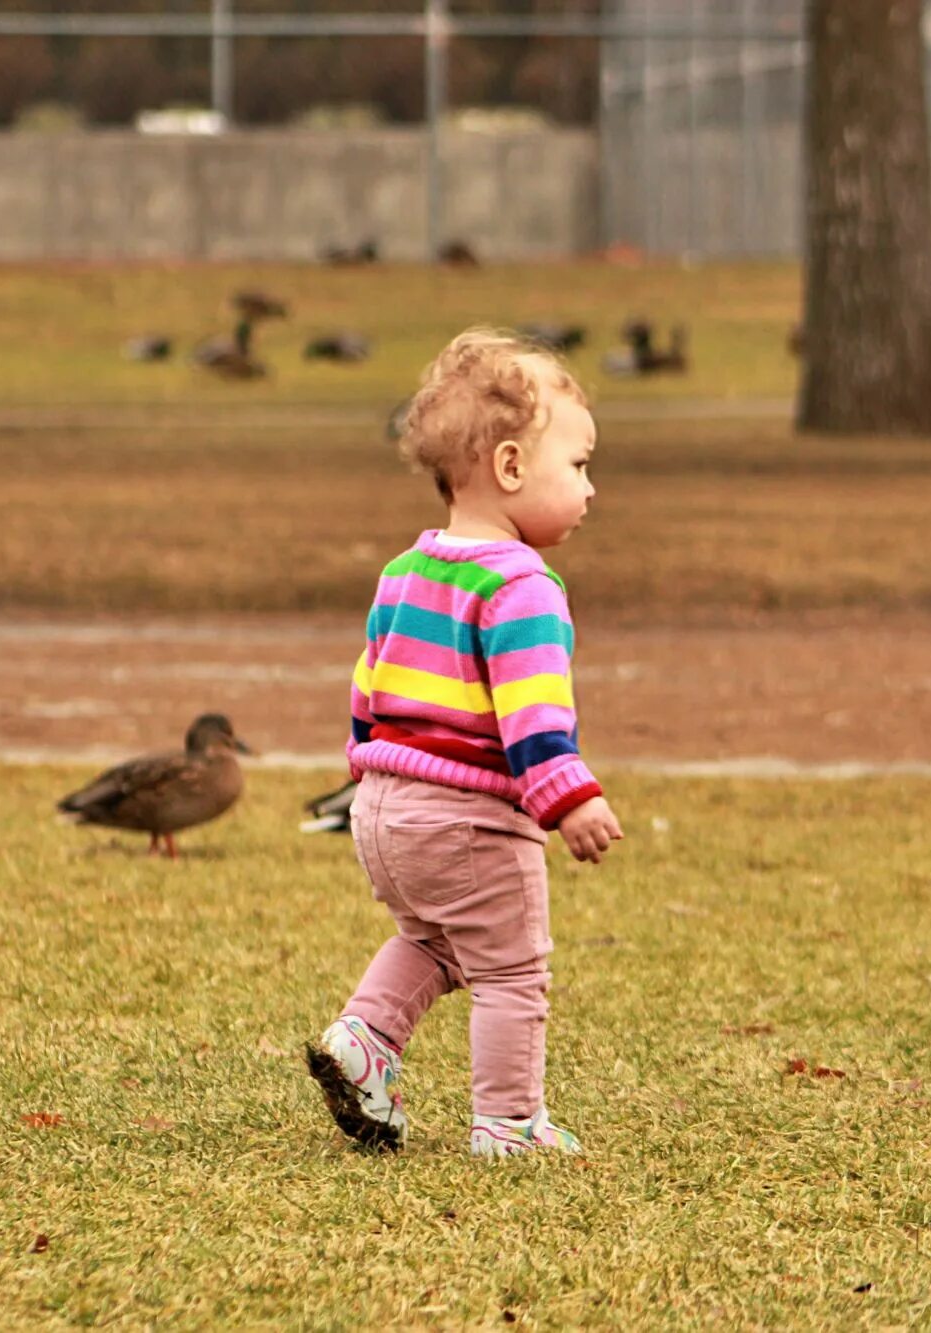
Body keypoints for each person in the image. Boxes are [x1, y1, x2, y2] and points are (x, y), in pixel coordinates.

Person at [305, 328, 622, 1158]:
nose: (591, 488)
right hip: (468, 818)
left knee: (434, 940)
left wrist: (364, 784)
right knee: (513, 970)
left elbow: (367, 688)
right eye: (580, 465)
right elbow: (532, 715)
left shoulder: (408, 570)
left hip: (384, 810)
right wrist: (571, 797)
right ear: (512, 468)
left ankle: (365, 1041)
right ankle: (510, 1123)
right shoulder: (522, 587)